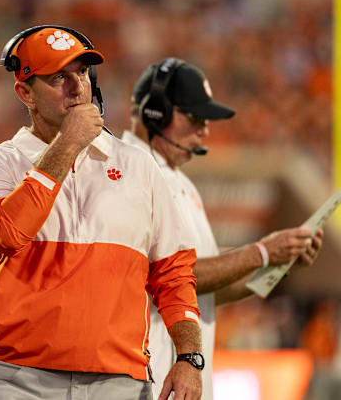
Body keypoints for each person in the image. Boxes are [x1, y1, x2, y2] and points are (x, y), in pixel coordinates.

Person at [0, 26, 203, 399]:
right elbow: (7, 232)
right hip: (18, 379)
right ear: (24, 92)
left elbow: (173, 273)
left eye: (81, 72)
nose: (77, 87)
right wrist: (69, 143)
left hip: (119, 381)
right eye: (58, 77)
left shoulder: (138, 166)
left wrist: (190, 358)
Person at [123, 58, 325, 400]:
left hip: (181, 377)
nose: (204, 130)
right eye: (195, 118)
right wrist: (261, 252)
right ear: (155, 112)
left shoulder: (181, 182)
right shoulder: (126, 171)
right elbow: (172, 275)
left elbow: (209, 289)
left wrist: (281, 264)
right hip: (149, 375)